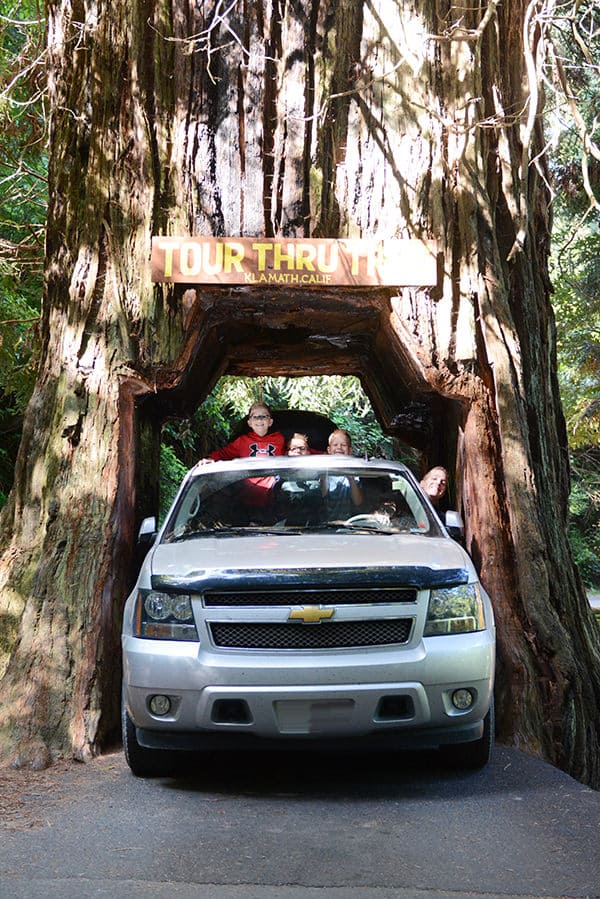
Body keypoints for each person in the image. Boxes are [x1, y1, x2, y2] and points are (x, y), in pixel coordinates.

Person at [199, 402, 286, 462]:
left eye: (263, 416)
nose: (259, 419)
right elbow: (223, 454)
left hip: (274, 484)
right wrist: (210, 459)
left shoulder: (280, 439)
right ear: (249, 423)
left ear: (270, 422)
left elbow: (291, 454)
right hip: (247, 485)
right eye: (254, 417)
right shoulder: (242, 441)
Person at [321, 428, 363, 517]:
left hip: (348, 523)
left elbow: (358, 501)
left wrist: (351, 478)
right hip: (324, 522)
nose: (339, 448)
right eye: (335, 445)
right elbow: (322, 497)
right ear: (329, 450)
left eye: (343, 445)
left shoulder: (353, 471)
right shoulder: (323, 469)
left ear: (350, 450)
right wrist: (323, 477)